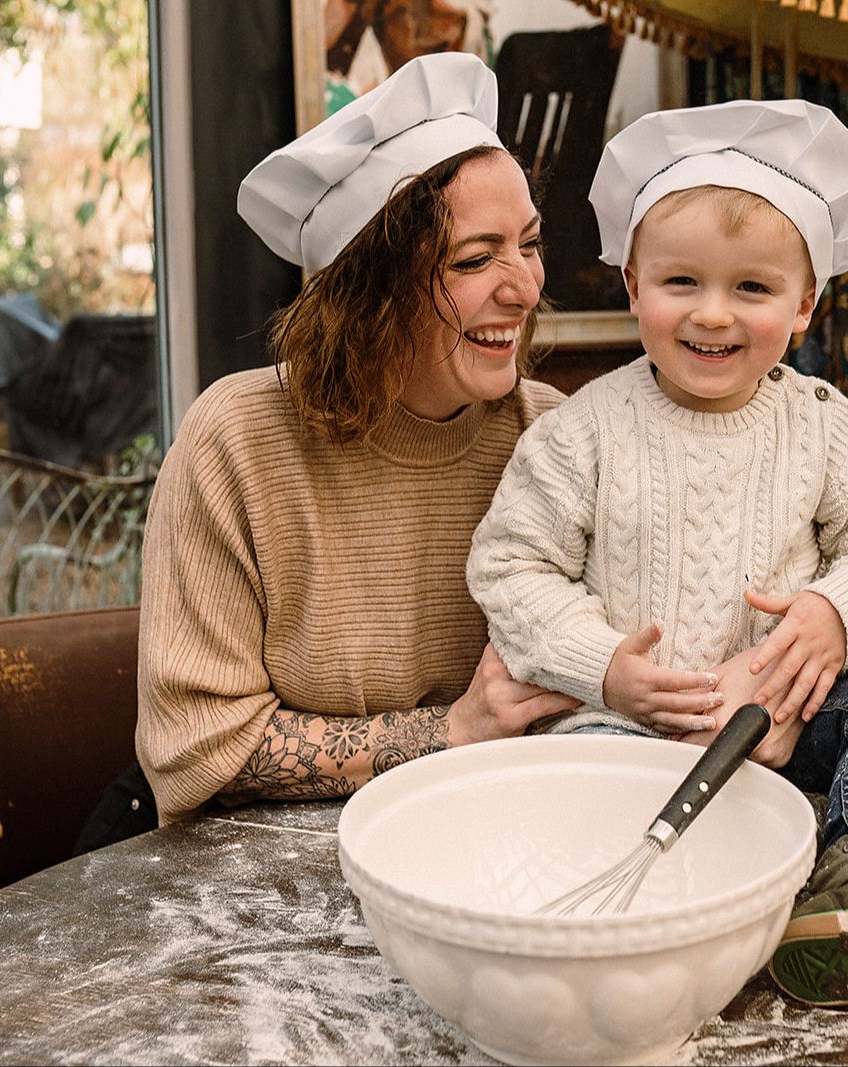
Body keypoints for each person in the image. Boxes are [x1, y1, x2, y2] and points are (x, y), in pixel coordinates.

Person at [467, 99, 848, 1007]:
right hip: (626, 728)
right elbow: (511, 566)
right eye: (681, 281)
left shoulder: (822, 427)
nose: (713, 313)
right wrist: (607, 669)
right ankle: (838, 854)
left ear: (805, 302)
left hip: (787, 718)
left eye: (752, 288)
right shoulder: (582, 431)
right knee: (579, 796)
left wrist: (832, 616)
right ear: (632, 284)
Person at [133, 51, 578, 827]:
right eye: (476, 258)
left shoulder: (552, 436)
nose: (525, 286)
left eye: (530, 244)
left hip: (479, 834)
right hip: (252, 862)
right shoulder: (235, 442)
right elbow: (196, 748)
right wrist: (451, 730)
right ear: (369, 290)